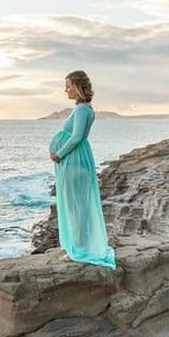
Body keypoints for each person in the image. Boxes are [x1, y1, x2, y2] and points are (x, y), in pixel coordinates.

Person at [48, 70, 117, 270]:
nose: (65, 89)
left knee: (75, 207)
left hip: (74, 161)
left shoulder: (81, 110)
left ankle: (78, 250)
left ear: (77, 86)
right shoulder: (85, 108)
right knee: (78, 206)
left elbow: (77, 137)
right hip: (77, 160)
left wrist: (59, 154)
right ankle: (79, 246)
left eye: (68, 85)